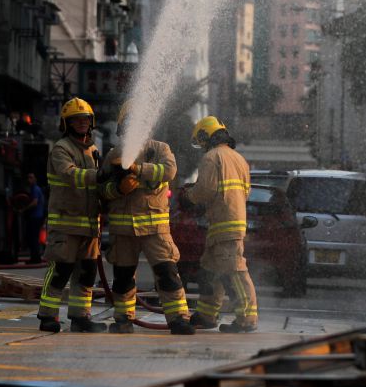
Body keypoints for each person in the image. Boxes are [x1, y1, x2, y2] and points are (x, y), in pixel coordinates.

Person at [98, 103, 195, 335]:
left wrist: (138, 169)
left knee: (167, 273)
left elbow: (169, 171)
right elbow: (101, 189)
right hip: (123, 232)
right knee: (122, 278)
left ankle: (179, 319)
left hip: (155, 229)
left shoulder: (160, 149)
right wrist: (117, 190)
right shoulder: (113, 155)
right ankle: (123, 319)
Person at [36, 97, 106, 333]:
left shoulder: (93, 150)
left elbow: (98, 184)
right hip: (65, 224)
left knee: (86, 275)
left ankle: (80, 317)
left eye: (85, 119)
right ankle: (47, 316)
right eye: (76, 120)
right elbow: (70, 175)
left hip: (89, 226)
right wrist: (99, 176)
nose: (82, 123)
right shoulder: (61, 149)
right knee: (60, 271)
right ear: (67, 124)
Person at [184, 116, 259, 333]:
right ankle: (206, 315)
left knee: (234, 271)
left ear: (206, 137)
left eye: (202, 141)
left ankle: (247, 319)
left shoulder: (211, 157)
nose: (202, 147)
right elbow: (246, 192)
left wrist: (188, 197)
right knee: (210, 272)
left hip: (222, 225)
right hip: (230, 223)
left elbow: (205, 190)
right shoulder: (239, 158)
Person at [22, 173, 45, 264]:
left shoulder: (35, 189)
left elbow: (35, 202)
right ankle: (35, 257)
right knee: (33, 237)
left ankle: (35, 258)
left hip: (35, 217)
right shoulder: (35, 189)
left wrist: (24, 209)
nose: (29, 180)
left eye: (31, 177)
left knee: (33, 238)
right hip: (37, 216)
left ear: (35, 179)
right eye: (28, 177)